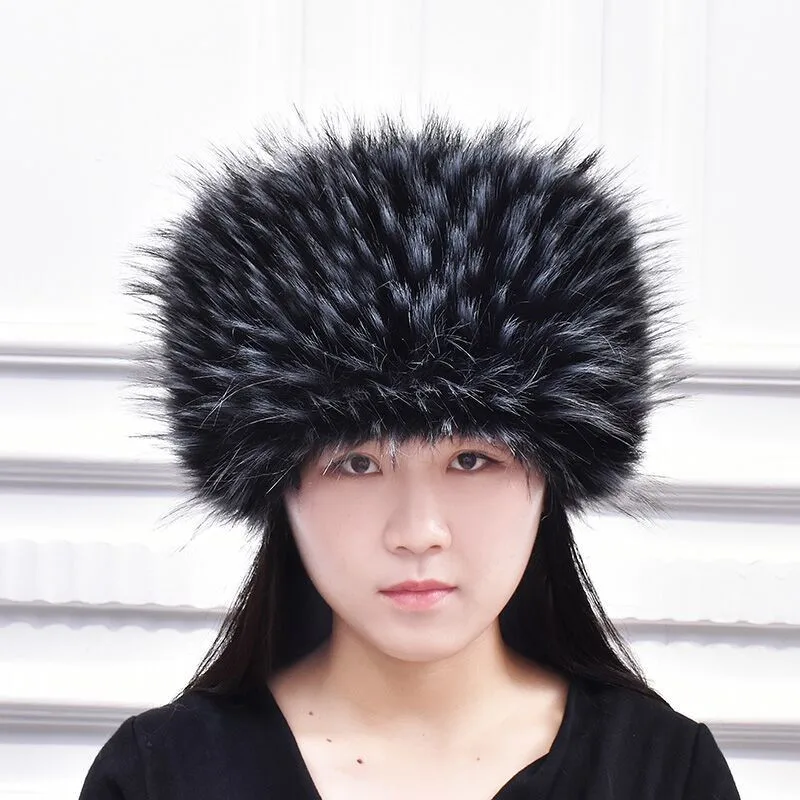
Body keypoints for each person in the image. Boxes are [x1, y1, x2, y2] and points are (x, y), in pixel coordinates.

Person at [79, 112, 741, 798]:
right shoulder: (160, 775)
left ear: (551, 477)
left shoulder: (665, 772)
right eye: (357, 463)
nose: (419, 531)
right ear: (279, 486)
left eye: (472, 460)